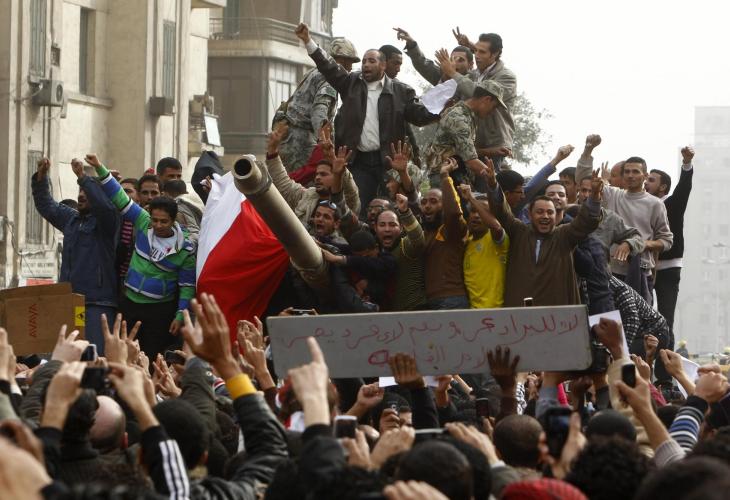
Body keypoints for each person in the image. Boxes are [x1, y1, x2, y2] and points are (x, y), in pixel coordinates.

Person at [295, 22, 439, 216]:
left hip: (388, 163)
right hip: (358, 162)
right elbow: (328, 67)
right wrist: (308, 41)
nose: (365, 65)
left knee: (390, 210)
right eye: (363, 61)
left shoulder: (401, 91)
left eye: (371, 61)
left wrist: (442, 108)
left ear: (383, 65)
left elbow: (420, 116)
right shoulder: (350, 83)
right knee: (359, 210)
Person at [86, 154, 196, 360]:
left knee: (152, 357)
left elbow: (187, 286)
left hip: (160, 311)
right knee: (122, 355)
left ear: (174, 220)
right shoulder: (143, 222)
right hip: (130, 303)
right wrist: (100, 168)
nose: (158, 225)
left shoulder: (185, 249)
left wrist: (180, 316)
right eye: (155, 220)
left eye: (164, 222)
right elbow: (120, 197)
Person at [31, 157, 120, 354]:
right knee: (69, 356)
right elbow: (46, 205)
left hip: (96, 305)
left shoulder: (107, 222)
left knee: (94, 357)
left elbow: (105, 207)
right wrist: (41, 177)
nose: (81, 195)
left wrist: (82, 177)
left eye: (86, 192)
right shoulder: (71, 219)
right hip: (70, 302)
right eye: (80, 191)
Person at [486, 159, 603, 307]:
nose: (545, 216)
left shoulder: (564, 235)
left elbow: (587, 221)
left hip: (556, 314)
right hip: (519, 312)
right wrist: (493, 185)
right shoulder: (519, 231)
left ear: (556, 214)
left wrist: (595, 195)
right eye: (540, 212)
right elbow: (501, 212)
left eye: (550, 212)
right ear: (529, 214)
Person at [577, 135, 673, 304]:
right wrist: (588, 150)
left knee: (639, 318)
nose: (630, 175)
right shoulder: (613, 194)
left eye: (635, 171)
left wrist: (636, 244)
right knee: (609, 317)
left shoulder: (655, 204)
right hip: (610, 272)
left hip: (641, 272)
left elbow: (666, 241)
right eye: (627, 172)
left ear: (645, 176)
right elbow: (584, 179)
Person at [275, 37, 360, 176]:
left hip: (289, 137)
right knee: (305, 180)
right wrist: (324, 142)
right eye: (350, 62)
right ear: (341, 60)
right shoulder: (329, 79)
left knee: (288, 180)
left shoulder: (314, 72)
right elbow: (319, 112)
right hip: (301, 141)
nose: (351, 68)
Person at [439, 30, 517, 170]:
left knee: (486, 181)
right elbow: (445, 92)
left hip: (492, 146)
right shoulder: (473, 75)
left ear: (495, 54)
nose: (476, 56)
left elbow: (478, 94)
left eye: (482, 52)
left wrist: (452, 72)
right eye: (475, 51)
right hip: (469, 144)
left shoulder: (506, 77)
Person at [266, 122, 361, 226]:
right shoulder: (307, 196)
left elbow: (351, 191)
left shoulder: (347, 201)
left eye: (323, 174)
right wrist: (272, 151)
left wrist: (339, 171)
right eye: (317, 174)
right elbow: (284, 185)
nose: (318, 178)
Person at [647, 147, 694, 344]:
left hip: (668, 268)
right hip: (645, 267)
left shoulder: (673, 203)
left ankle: (665, 363)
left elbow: (684, 188)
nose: (645, 183)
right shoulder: (643, 204)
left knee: (666, 319)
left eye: (651, 180)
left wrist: (687, 163)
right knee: (643, 317)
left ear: (663, 187)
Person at [425, 80, 507, 187]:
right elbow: (471, 161)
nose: (492, 112)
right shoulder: (459, 118)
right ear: (487, 99)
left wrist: (492, 151)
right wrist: (498, 181)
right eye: (494, 107)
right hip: (446, 178)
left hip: (454, 176)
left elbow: (463, 150)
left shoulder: (466, 115)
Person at [423, 158, 469, 309]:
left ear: (444, 205)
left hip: (451, 299)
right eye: (424, 202)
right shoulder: (426, 232)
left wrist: (444, 176)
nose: (427, 206)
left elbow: (454, 213)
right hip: (430, 300)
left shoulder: (451, 229)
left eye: (433, 201)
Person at [459, 184, 508, 309]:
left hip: (495, 311)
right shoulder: (468, 242)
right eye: (473, 211)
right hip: (471, 313)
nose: (476, 215)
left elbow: (496, 227)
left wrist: (471, 198)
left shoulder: (496, 239)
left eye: (482, 211)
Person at [376, 194, 427, 311]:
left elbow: (419, 241)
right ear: (375, 228)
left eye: (392, 225)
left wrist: (405, 212)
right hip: (387, 316)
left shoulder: (406, 245)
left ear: (401, 228)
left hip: (415, 311)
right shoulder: (373, 250)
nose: (387, 229)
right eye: (382, 225)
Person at [395, 27, 474, 85]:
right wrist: (411, 43)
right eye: (452, 59)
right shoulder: (443, 75)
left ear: (471, 64)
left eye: (461, 60)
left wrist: (471, 45)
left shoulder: (476, 80)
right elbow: (422, 63)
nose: (455, 63)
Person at [163, 179, 205, 244]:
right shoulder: (195, 201)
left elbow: (192, 230)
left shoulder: (179, 207)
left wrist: (185, 247)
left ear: (166, 194)